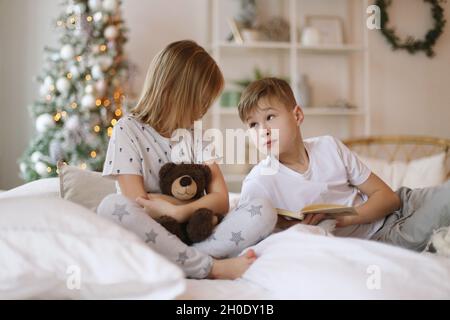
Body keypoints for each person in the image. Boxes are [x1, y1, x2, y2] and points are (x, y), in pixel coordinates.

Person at [97, 41, 277, 279]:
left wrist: (177, 211)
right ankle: (209, 267)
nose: (203, 111)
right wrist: (198, 205)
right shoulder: (127, 130)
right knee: (112, 207)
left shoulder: (196, 137)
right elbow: (139, 203)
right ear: (173, 91)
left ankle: (185, 259)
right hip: (151, 236)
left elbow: (221, 201)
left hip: (195, 236)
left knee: (263, 209)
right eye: (200, 101)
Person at [237, 77, 450, 251]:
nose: (262, 130)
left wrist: (346, 218)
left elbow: (389, 198)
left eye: (270, 117)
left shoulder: (329, 146)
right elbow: (250, 247)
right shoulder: (258, 184)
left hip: (405, 202)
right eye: (253, 124)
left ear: (298, 115)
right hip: (381, 239)